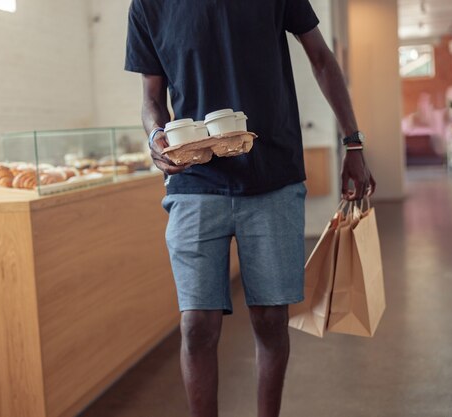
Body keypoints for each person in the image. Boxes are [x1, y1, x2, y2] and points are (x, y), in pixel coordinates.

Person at [125, 1, 376, 416]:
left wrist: (353, 142)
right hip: (194, 181)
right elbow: (151, 97)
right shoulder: (148, 6)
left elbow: (321, 58)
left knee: (270, 318)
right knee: (196, 325)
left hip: (273, 175)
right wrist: (155, 136)